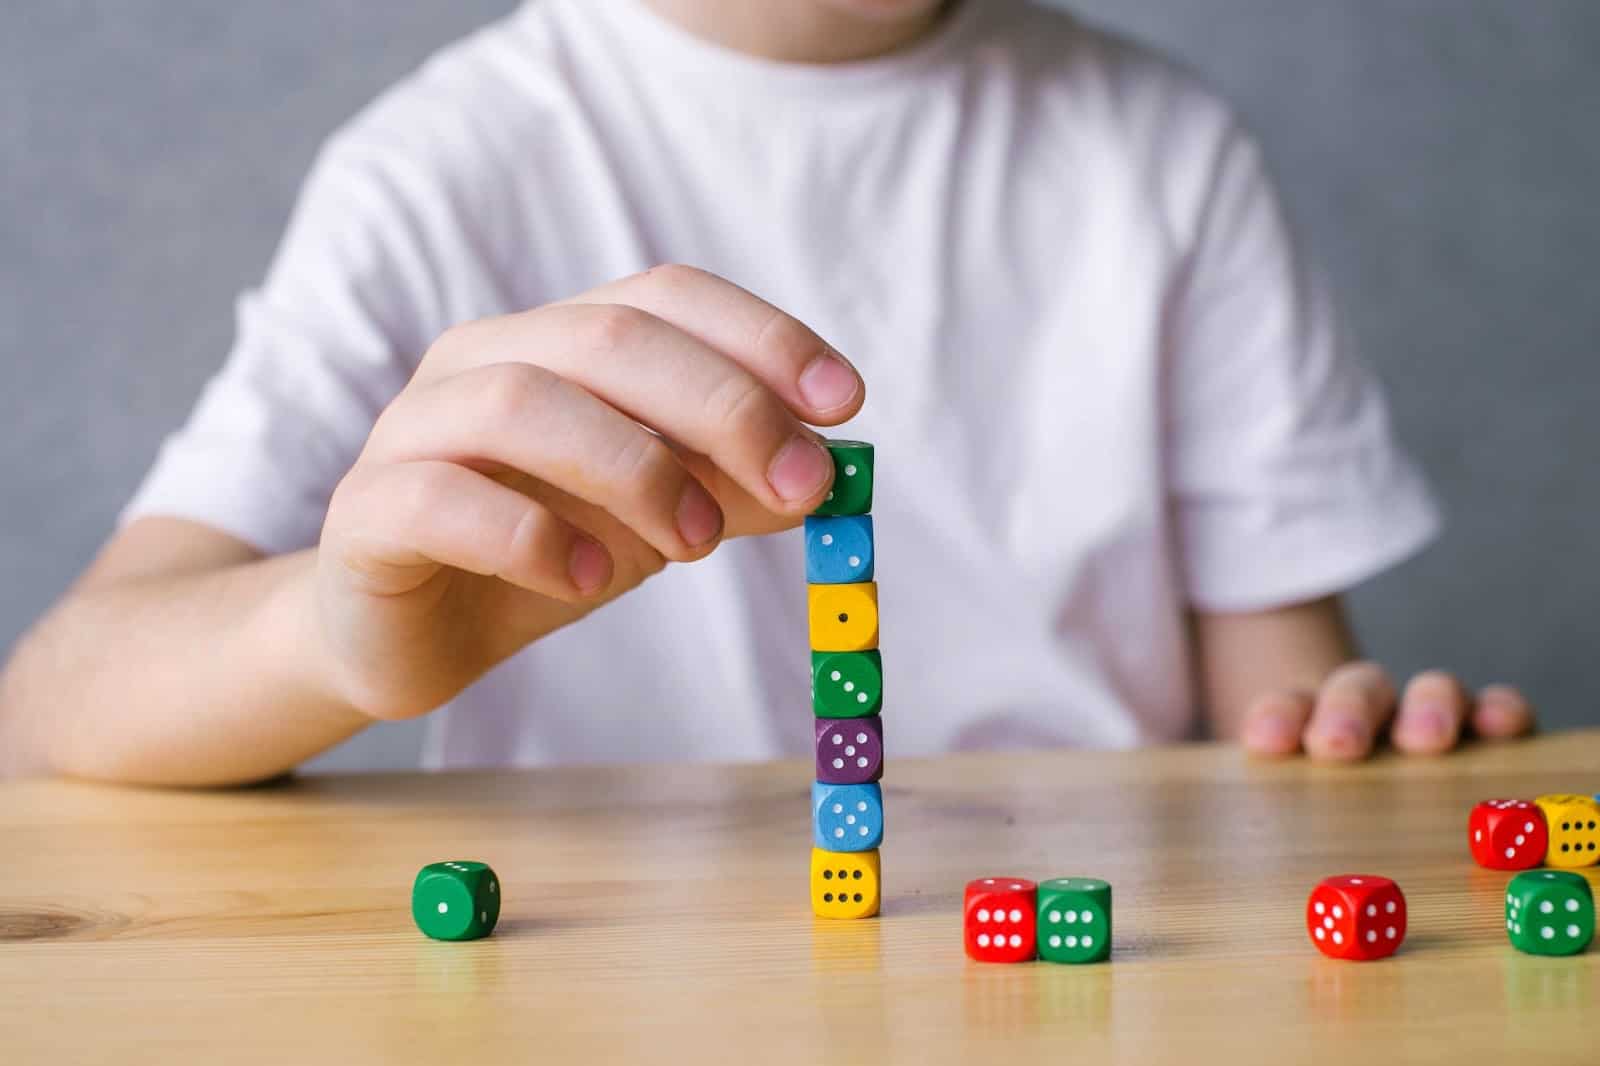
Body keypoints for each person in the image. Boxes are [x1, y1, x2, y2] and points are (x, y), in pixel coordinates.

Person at [0, 0, 1534, 786]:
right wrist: (333, 638)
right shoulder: (443, 170)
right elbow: (55, 702)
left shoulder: (1165, 151)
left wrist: (1338, 739)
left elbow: (1278, 707)